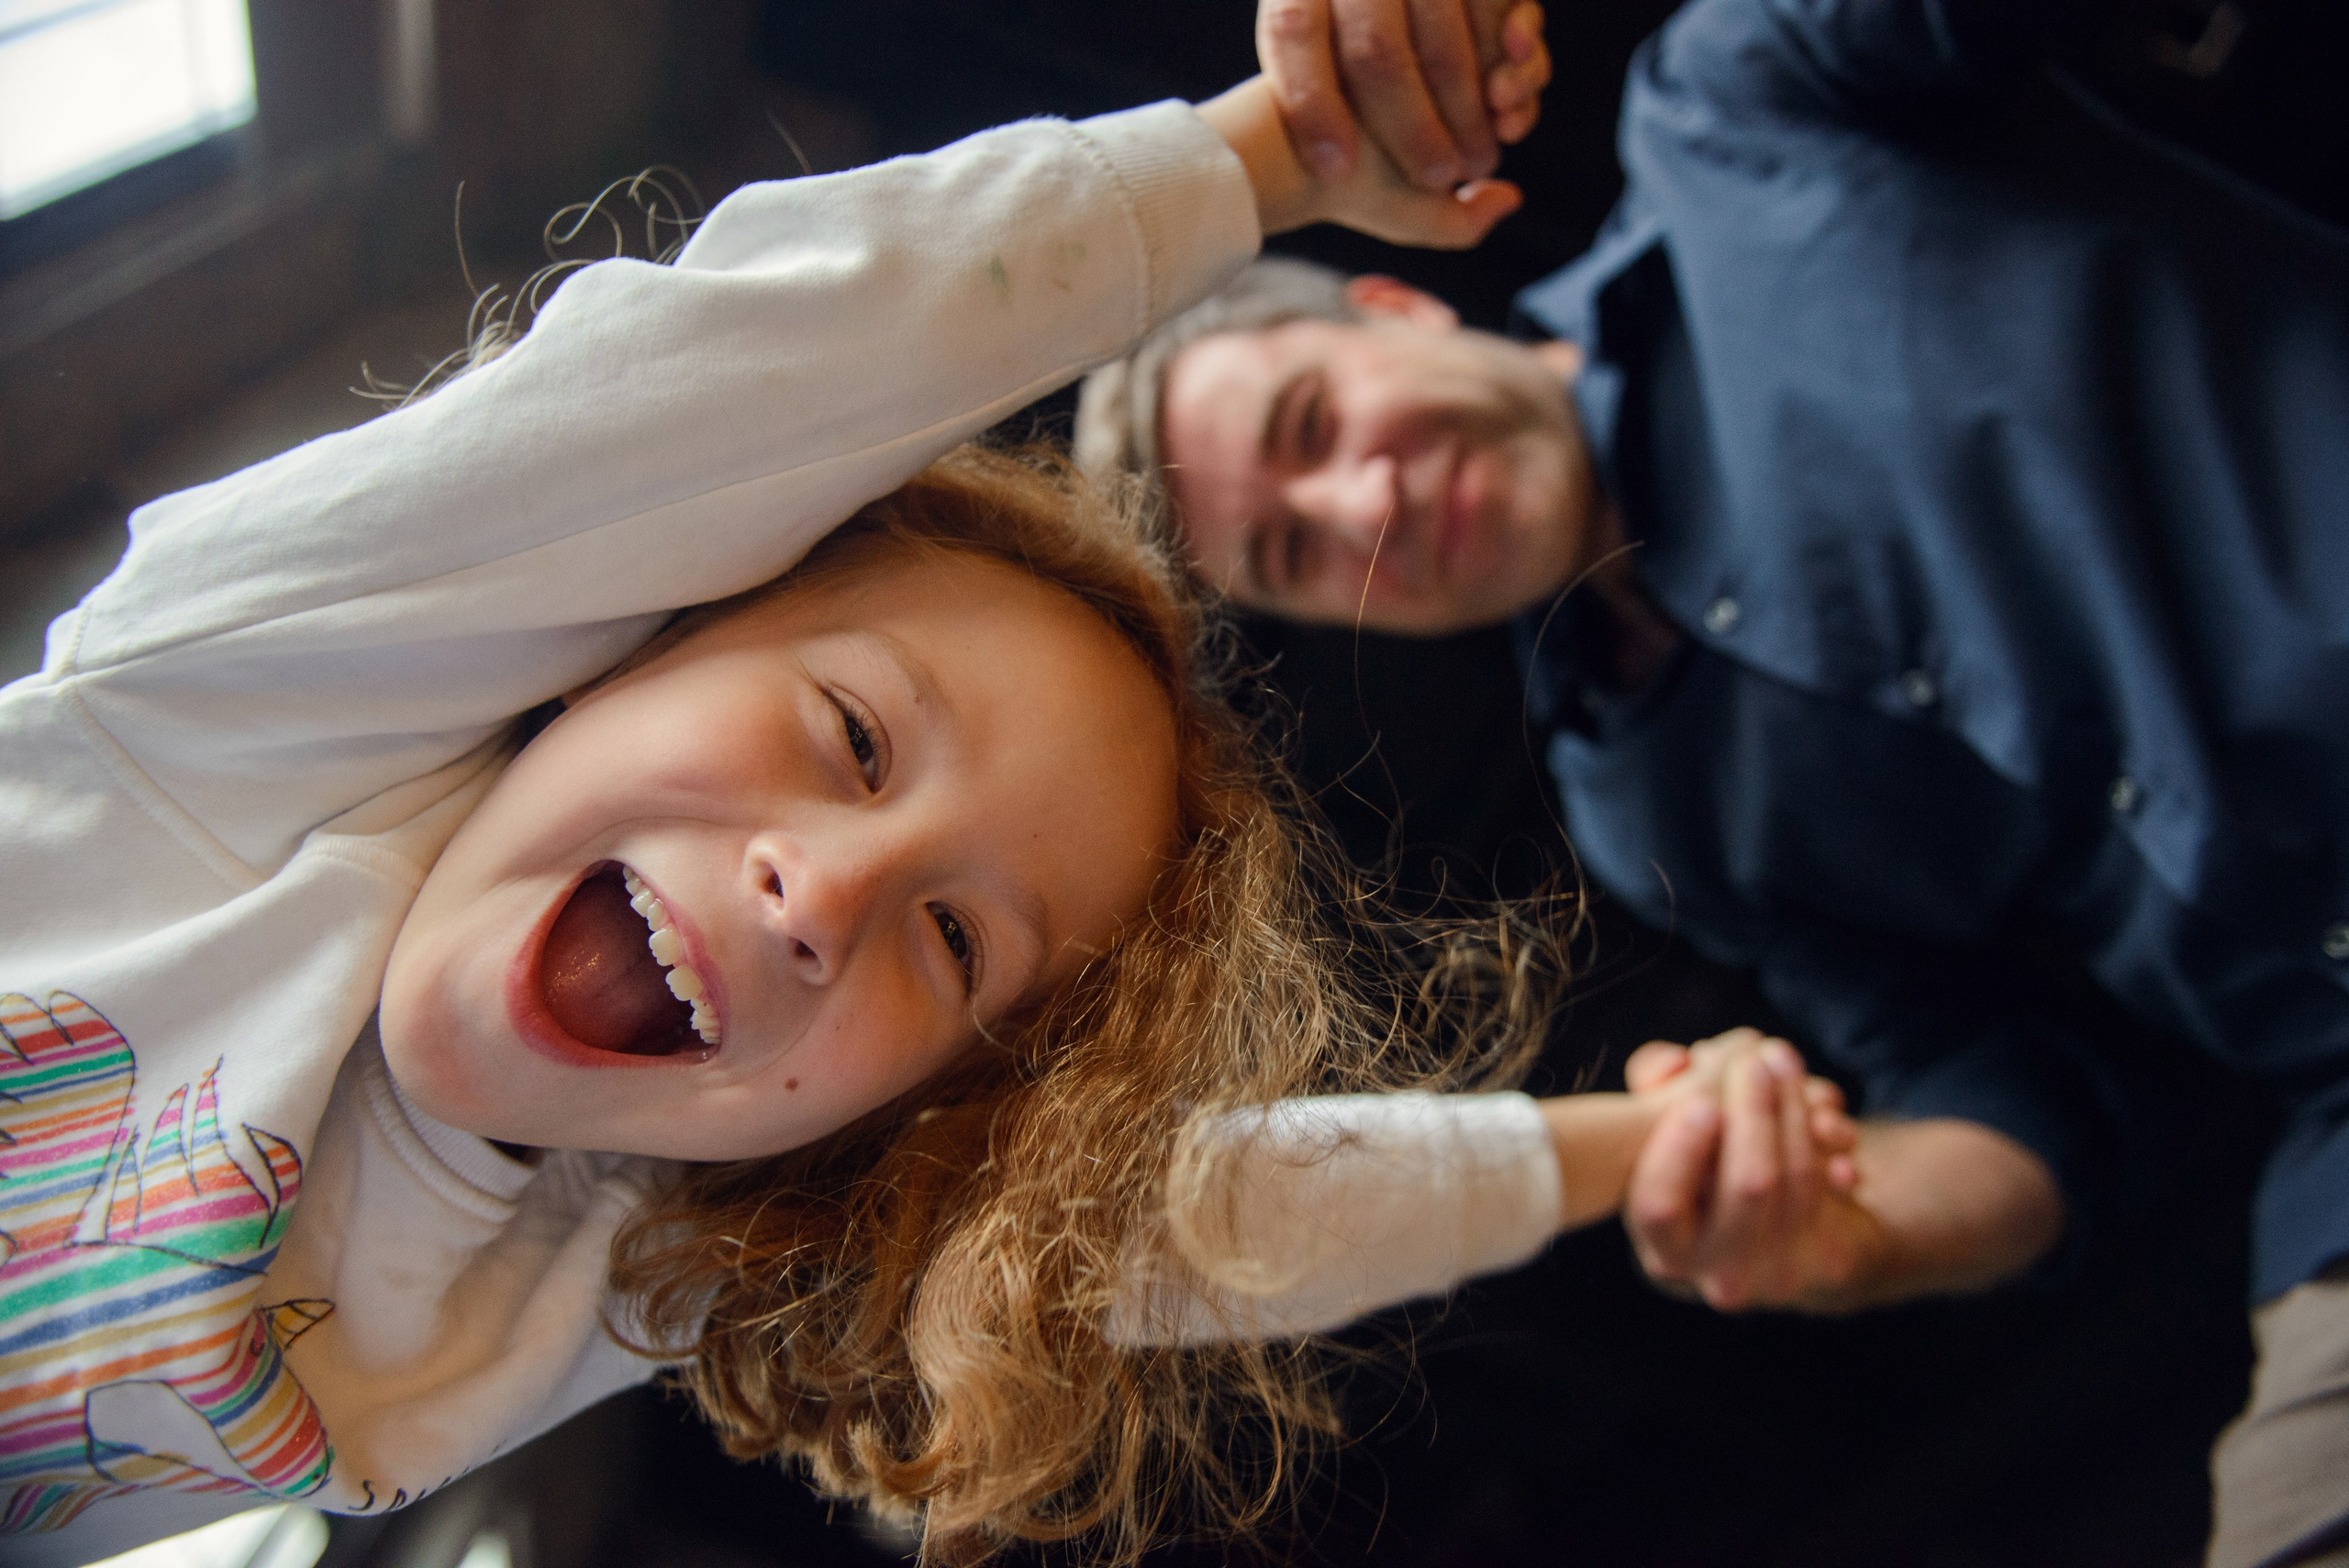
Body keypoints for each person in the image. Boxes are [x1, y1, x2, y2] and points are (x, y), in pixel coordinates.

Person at [0, 16, 1860, 1563]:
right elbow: (715, 382)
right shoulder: (226, 728)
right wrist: (1264, 158)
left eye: (958, 940)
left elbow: (1191, 1223)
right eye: (852, 737)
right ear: (632, 637)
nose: (828, 892)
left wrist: (1635, 1148)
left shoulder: (630, 1254)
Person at [1076, 1, 2349, 1562]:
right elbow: (2024, 1106)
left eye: (1316, 420)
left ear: (1398, 305)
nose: (1370, 504)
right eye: (1295, 551)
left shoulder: (1744, 114)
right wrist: (1844, 1229)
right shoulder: (1647, 809)